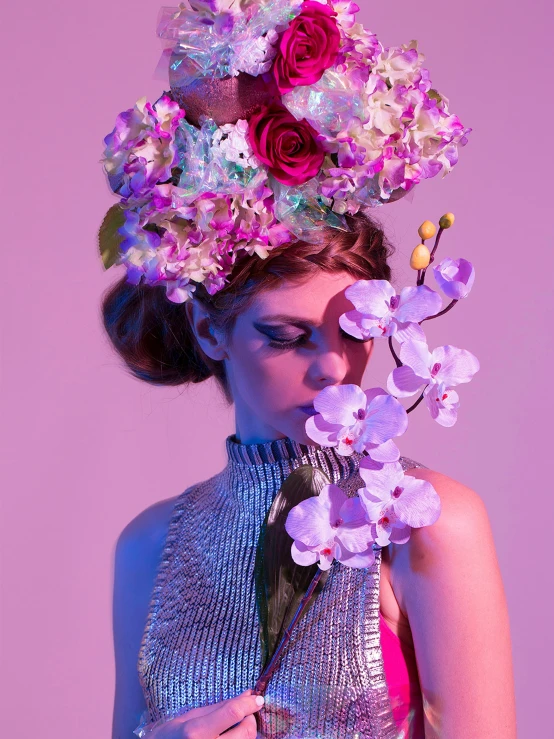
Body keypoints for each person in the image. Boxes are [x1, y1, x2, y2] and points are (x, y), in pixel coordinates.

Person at [104, 213, 517, 738]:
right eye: (287, 336)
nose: (335, 369)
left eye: (356, 332)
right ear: (209, 330)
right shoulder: (150, 544)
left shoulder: (426, 518)